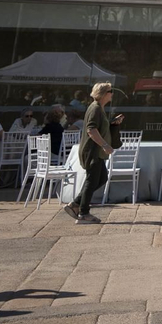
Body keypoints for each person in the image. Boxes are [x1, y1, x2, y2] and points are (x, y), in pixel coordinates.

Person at [68, 82, 122, 224]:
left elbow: (99, 128)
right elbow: (91, 130)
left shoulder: (99, 108)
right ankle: (83, 213)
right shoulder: (96, 108)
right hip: (93, 151)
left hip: (97, 152)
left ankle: (75, 204)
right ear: (104, 93)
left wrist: (113, 123)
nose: (112, 94)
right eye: (110, 91)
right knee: (91, 181)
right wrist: (105, 145)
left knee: (101, 179)